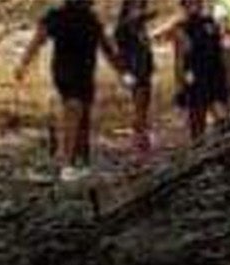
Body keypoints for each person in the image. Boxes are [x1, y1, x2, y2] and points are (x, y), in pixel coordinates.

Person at [15, 0, 124, 181]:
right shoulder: (59, 17)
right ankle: (67, 163)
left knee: (84, 116)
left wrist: (121, 70)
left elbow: (106, 47)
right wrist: (24, 64)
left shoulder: (90, 19)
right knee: (73, 113)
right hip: (67, 72)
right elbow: (38, 39)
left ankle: (81, 161)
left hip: (85, 72)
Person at [171, 0, 229, 141]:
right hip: (195, 75)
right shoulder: (181, 28)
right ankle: (198, 148)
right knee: (197, 117)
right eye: (189, 4)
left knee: (222, 116)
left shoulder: (210, 23)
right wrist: (180, 85)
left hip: (215, 73)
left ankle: (223, 148)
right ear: (184, 6)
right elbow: (179, 58)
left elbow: (220, 49)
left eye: (196, 2)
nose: (193, 6)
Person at [112, 0, 156, 158]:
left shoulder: (139, 27)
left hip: (145, 70)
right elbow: (118, 51)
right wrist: (124, 72)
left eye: (141, 6)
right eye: (136, 6)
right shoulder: (124, 27)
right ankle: (139, 142)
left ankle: (142, 139)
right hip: (135, 71)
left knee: (144, 106)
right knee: (139, 107)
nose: (140, 9)